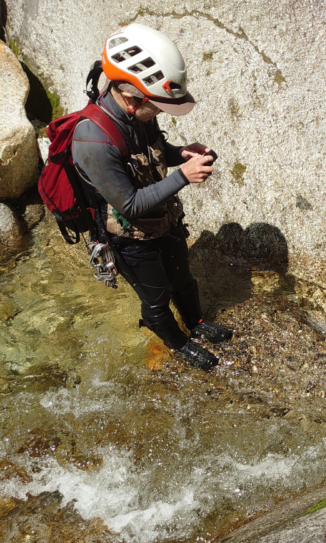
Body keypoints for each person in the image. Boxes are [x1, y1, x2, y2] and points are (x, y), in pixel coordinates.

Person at [71, 23, 231, 370]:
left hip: (163, 220)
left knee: (183, 280)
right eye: (157, 107)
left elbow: (153, 151)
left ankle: (196, 323)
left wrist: (181, 153)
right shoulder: (92, 140)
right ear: (132, 98)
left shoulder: (138, 115)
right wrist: (184, 178)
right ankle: (178, 343)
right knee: (156, 299)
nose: (159, 113)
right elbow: (128, 204)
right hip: (128, 238)